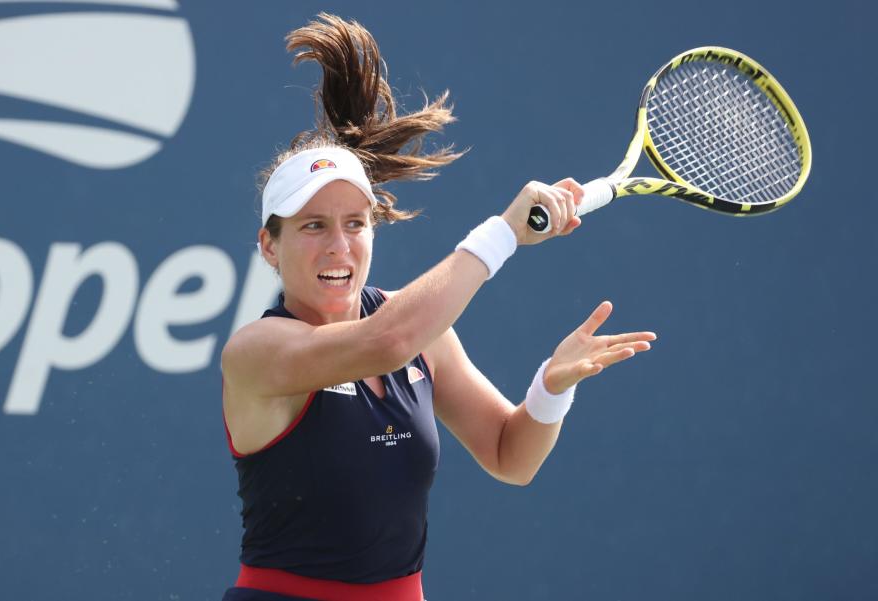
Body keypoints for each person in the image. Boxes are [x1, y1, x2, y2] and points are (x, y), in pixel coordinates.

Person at [220, 13, 655, 601]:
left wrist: (551, 388)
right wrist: (502, 233)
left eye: (356, 224)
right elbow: (385, 342)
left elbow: (510, 456)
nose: (339, 246)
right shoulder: (256, 352)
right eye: (313, 226)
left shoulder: (421, 331)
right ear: (269, 245)